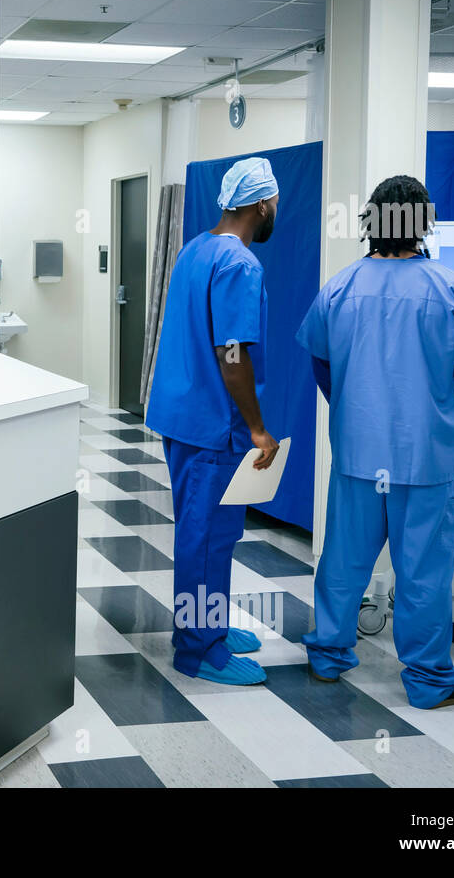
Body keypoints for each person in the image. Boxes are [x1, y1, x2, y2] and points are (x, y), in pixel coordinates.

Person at [296, 174, 454, 709]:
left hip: (359, 452)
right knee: (424, 572)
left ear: (371, 222)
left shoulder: (339, 287)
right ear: (424, 224)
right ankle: (430, 681)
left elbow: (323, 366)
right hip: (425, 457)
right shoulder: (451, 289)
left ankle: (328, 655)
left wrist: (359, 402)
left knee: (343, 560)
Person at [145, 156, 281, 686]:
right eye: (274, 205)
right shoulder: (241, 265)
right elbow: (232, 354)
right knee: (207, 538)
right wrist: (256, 428)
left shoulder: (196, 249)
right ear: (262, 204)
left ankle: (210, 626)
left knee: (203, 533)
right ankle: (199, 650)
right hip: (212, 424)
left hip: (182, 415)